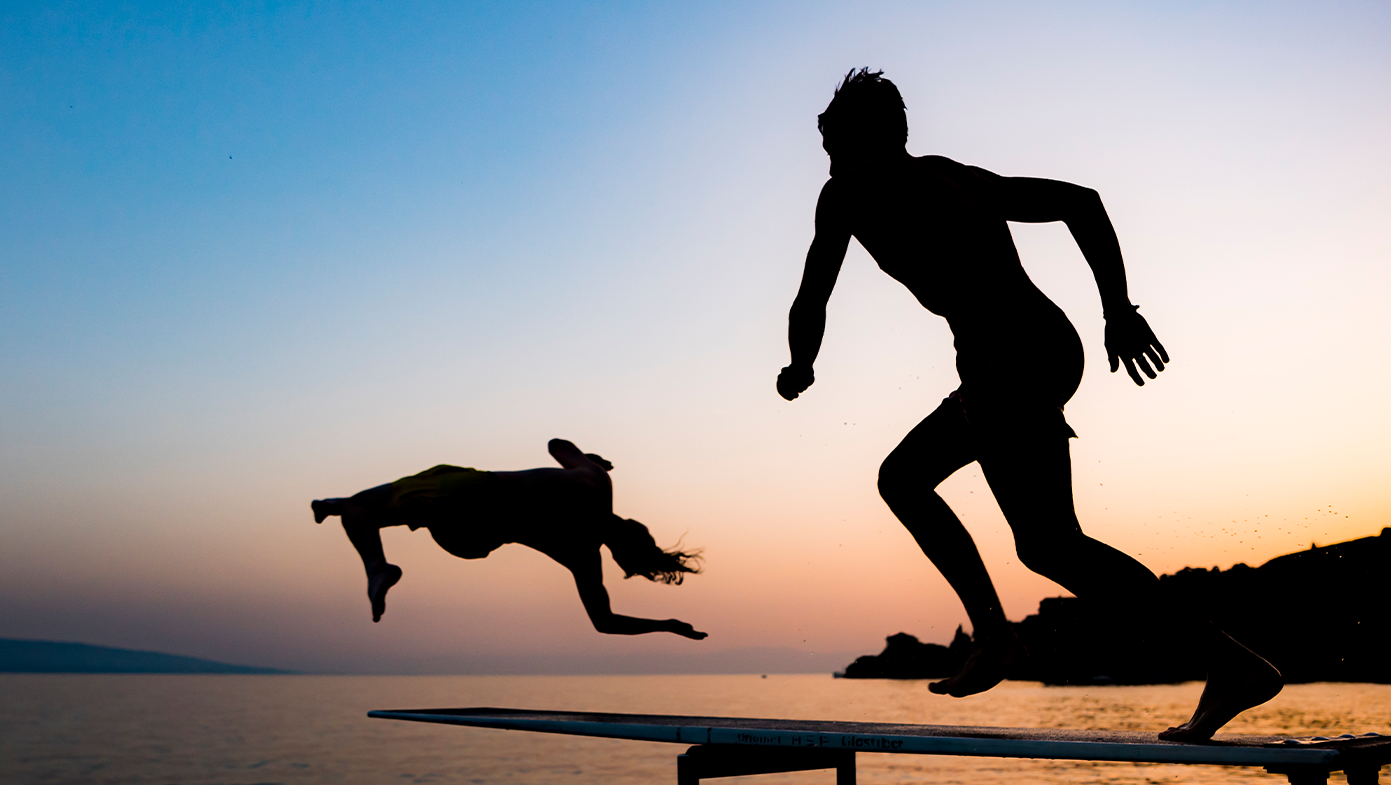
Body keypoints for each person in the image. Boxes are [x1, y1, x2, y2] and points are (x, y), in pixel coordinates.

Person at [776, 68, 1280, 741]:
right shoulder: (952, 174)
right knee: (1034, 537)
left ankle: (1014, 638)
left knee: (994, 519)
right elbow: (1082, 201)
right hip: (1041, 348)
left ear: (851, 138)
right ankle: (1215, 660)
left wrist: (799, 362)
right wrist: (1116, 310)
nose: (825, 155)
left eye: (828, 139)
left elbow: (814, 291)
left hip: (1009, 361)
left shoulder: (846, 192)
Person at [312, 438, 707, 640]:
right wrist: (666, 625)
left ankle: (377, 567)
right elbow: (604, 623)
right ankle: (333, 506)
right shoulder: (583, 555)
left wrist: (590, 459)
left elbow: (556, 444)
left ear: (634, 526)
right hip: (470, 540)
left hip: (472, 493)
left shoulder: (596, 481)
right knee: (390, 511)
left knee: (363, 508)